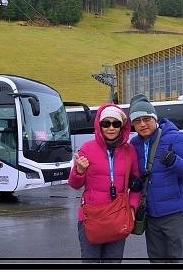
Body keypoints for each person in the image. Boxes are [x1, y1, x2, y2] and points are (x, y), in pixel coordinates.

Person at [128, 94, 183, 262]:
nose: (142, 124)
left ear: (154, 118)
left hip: (176, 212)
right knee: (156, 259)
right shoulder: (134, 144)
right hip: (151, 214)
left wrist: (175, 161)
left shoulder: (176, 138)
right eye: (137, 121)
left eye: (146, 119)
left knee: (176, 258)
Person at [68, 104, 141, 263]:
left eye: (116, 123)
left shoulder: (130, 151)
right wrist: (79, 171)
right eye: (105, 123)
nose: (111, 128)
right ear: (99, 125)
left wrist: (132, 208)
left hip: (118, 216)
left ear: (122, 126)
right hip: (91, 217)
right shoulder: (87, 148)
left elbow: (136, 185)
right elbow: (74, 184)